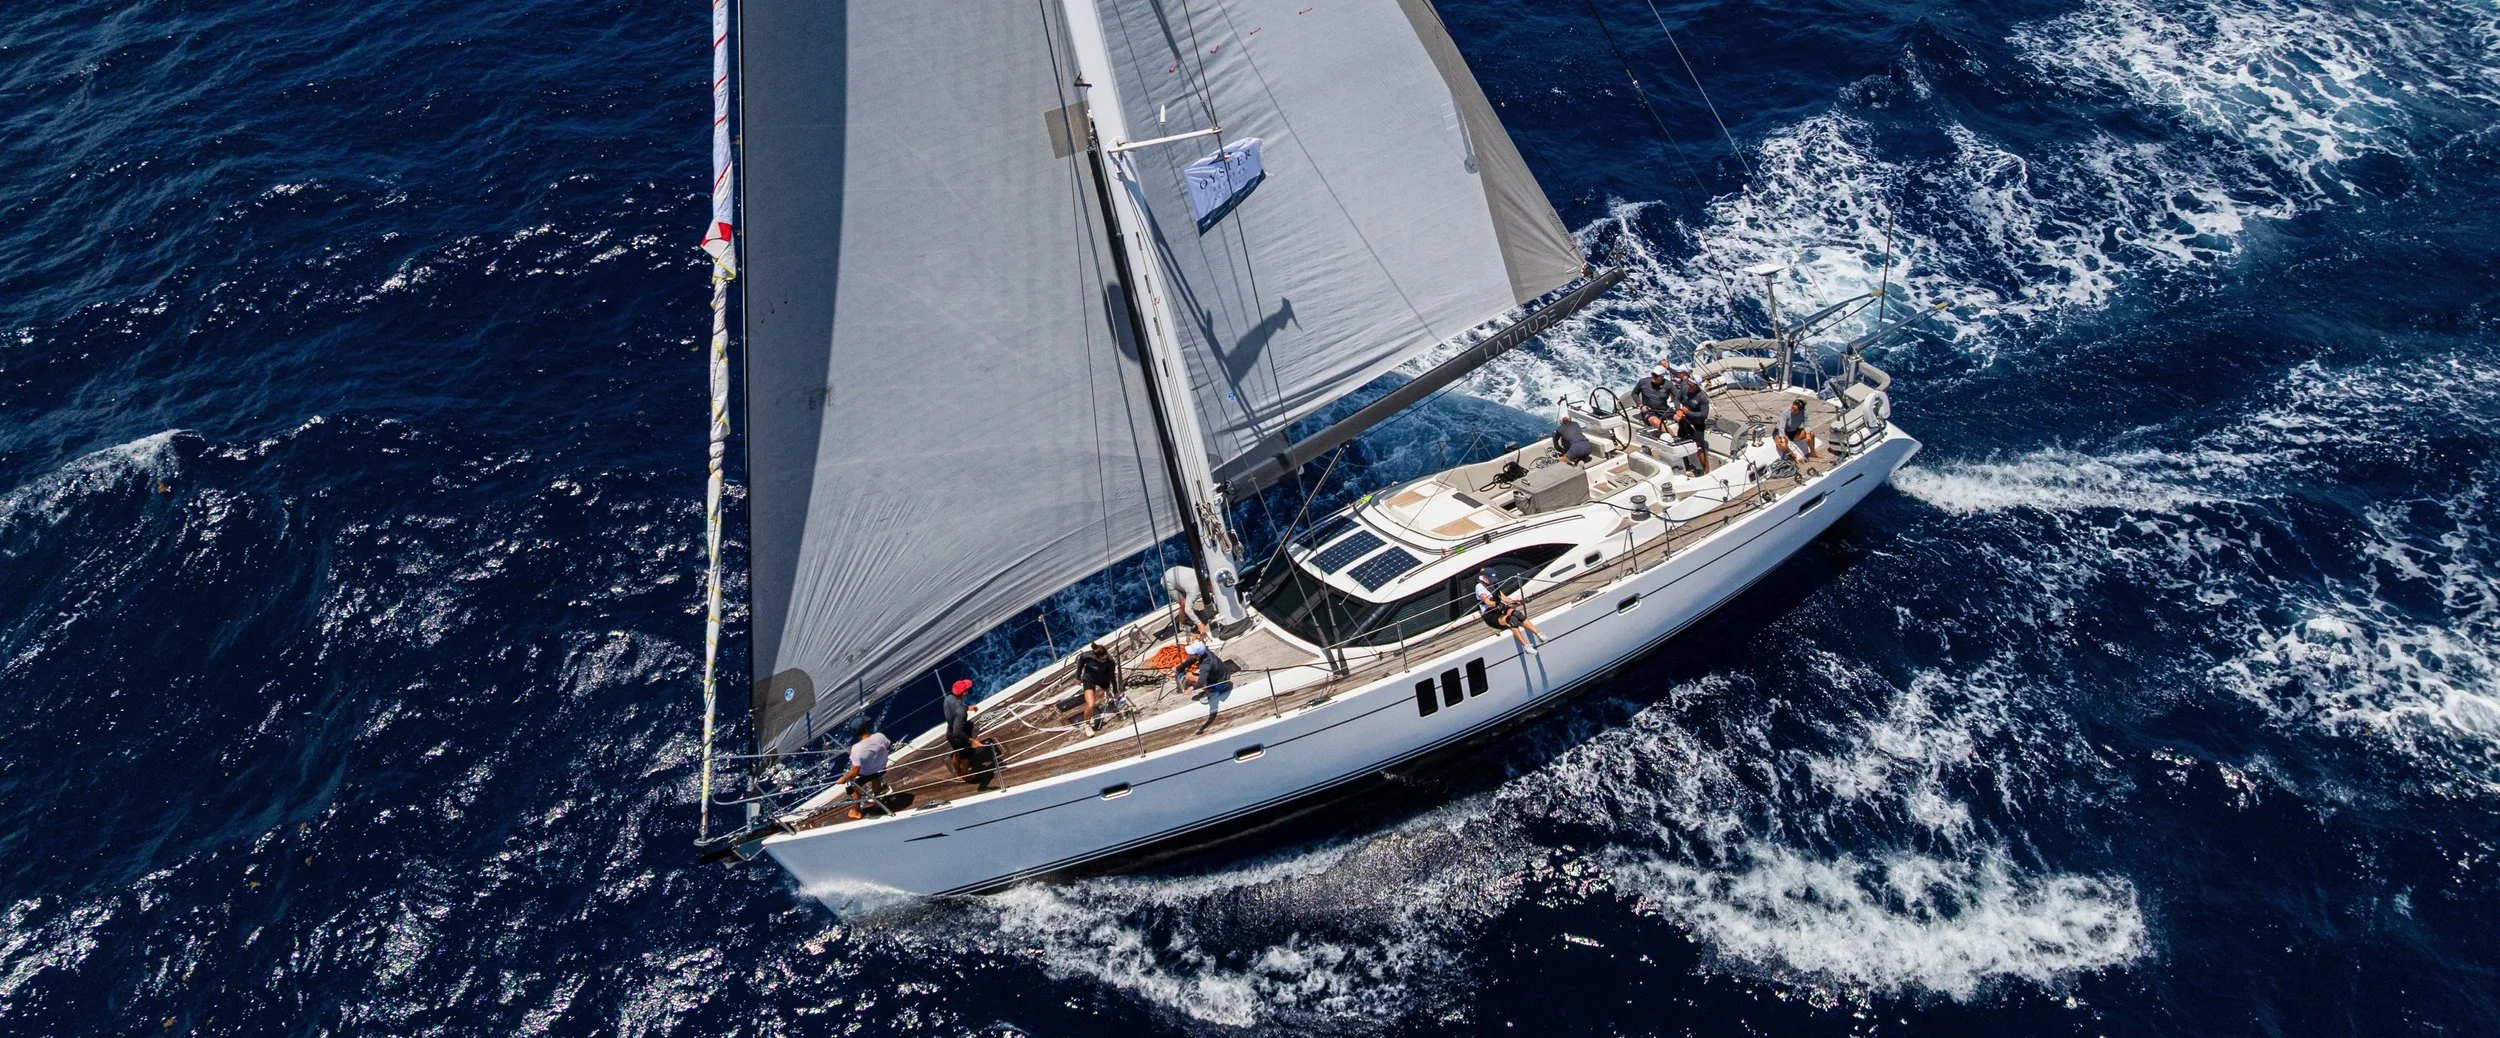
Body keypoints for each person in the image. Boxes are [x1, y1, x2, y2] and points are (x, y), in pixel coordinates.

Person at [1475, 569, 1544, 655]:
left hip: (1499, 609)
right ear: (1485, 578)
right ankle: (1526, 646)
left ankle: (1539, 634)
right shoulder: (1479, 587)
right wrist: (1497, 604)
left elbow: (1504, 598)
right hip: (1490, 614)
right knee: (1512, 620)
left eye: (1494, 579)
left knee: (1517, 614)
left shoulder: (1493, 584)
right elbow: (1487, 602)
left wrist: (1516, 601)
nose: (1493, 581)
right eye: (1491, 579)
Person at [943, 678, 997, 790]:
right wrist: (972, 741)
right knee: (966, 755)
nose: (967, 691)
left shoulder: (948, 699)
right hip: (958, 737)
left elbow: (955, 711)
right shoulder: (961, 711)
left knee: (956, 753)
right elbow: (958, 732)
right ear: (964, 692)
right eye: (966, 689)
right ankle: (964, 776)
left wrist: (968, 707)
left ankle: (958, 774)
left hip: (949, 734)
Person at [836, 721, 893, 820]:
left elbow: (855, 772)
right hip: (881, 768)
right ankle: (877, 801)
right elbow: (889, 747)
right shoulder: (879, 736)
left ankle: (856, 812)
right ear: (866, 728)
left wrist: (844, 778)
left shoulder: (856, 749)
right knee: (876, 777)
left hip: (867, 774)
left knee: (853, 788)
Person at [1669, 368, 1712, 476]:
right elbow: (1677, 399)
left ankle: (1707, 471)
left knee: (1700, 448)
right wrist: (1678, 409)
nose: (1689, 387)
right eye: (1688, 384)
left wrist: (1688, 413)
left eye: (1691, 386)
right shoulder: (1684, 389)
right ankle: (1686, 464)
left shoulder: (1702, 397)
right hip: (1685, 422)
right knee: (1680, 441)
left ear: (1697, 386)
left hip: (1697, 425)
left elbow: (1703, 415)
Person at [1076, 642, 1118, 731]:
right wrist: (1078, 677)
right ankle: (1087, 725)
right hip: (1089, 679)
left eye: (1106, 657)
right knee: (1091, 704)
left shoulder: (1110, 661)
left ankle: (1108, 694)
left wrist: (1115, 691)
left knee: (1107, 688)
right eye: (1102, 659)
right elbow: (1080, 665)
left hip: (1103, 678)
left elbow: (1112, 676)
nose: (1105, 660)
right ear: (1096, 657)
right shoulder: (1086, 656)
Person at [1162, 565, 1211, 640]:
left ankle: (1193, 615)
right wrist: (1200, 624)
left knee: (1187, 597)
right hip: (1168, 580)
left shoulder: (1202, 574)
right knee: (1184, 604)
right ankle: (1182, 625)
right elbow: (1187, 609)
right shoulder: (1194, 590)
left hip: (1177, 574)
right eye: (1210, 589)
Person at [1631, 365, 1676, 435]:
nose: (1653, 376)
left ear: (1662, 376)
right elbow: (1634, 393)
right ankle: (1675, 438)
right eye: (1653, 374)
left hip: (1664, 410)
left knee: (1682, 418)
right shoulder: (1643, 382)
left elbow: (1678, 397)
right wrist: (1640, 405)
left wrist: (1679, 409)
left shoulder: (1668, 384)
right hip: (1648, 411)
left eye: (1656, 375)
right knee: (1655, 421)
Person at [1775, 398, 1821, 463]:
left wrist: (1807, 434)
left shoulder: (1804, 413)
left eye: (1795, 410)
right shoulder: (1785, 413)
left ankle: (1813, 452)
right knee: (1783, 444)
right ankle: (1793, 456)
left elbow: (1807, 425)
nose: (1792, 410)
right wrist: (1783, 439)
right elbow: (1781, 428)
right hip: (1781, 432)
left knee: (1811, 434)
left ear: (1800, 411)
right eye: (1792, 407)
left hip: (1793, 432)